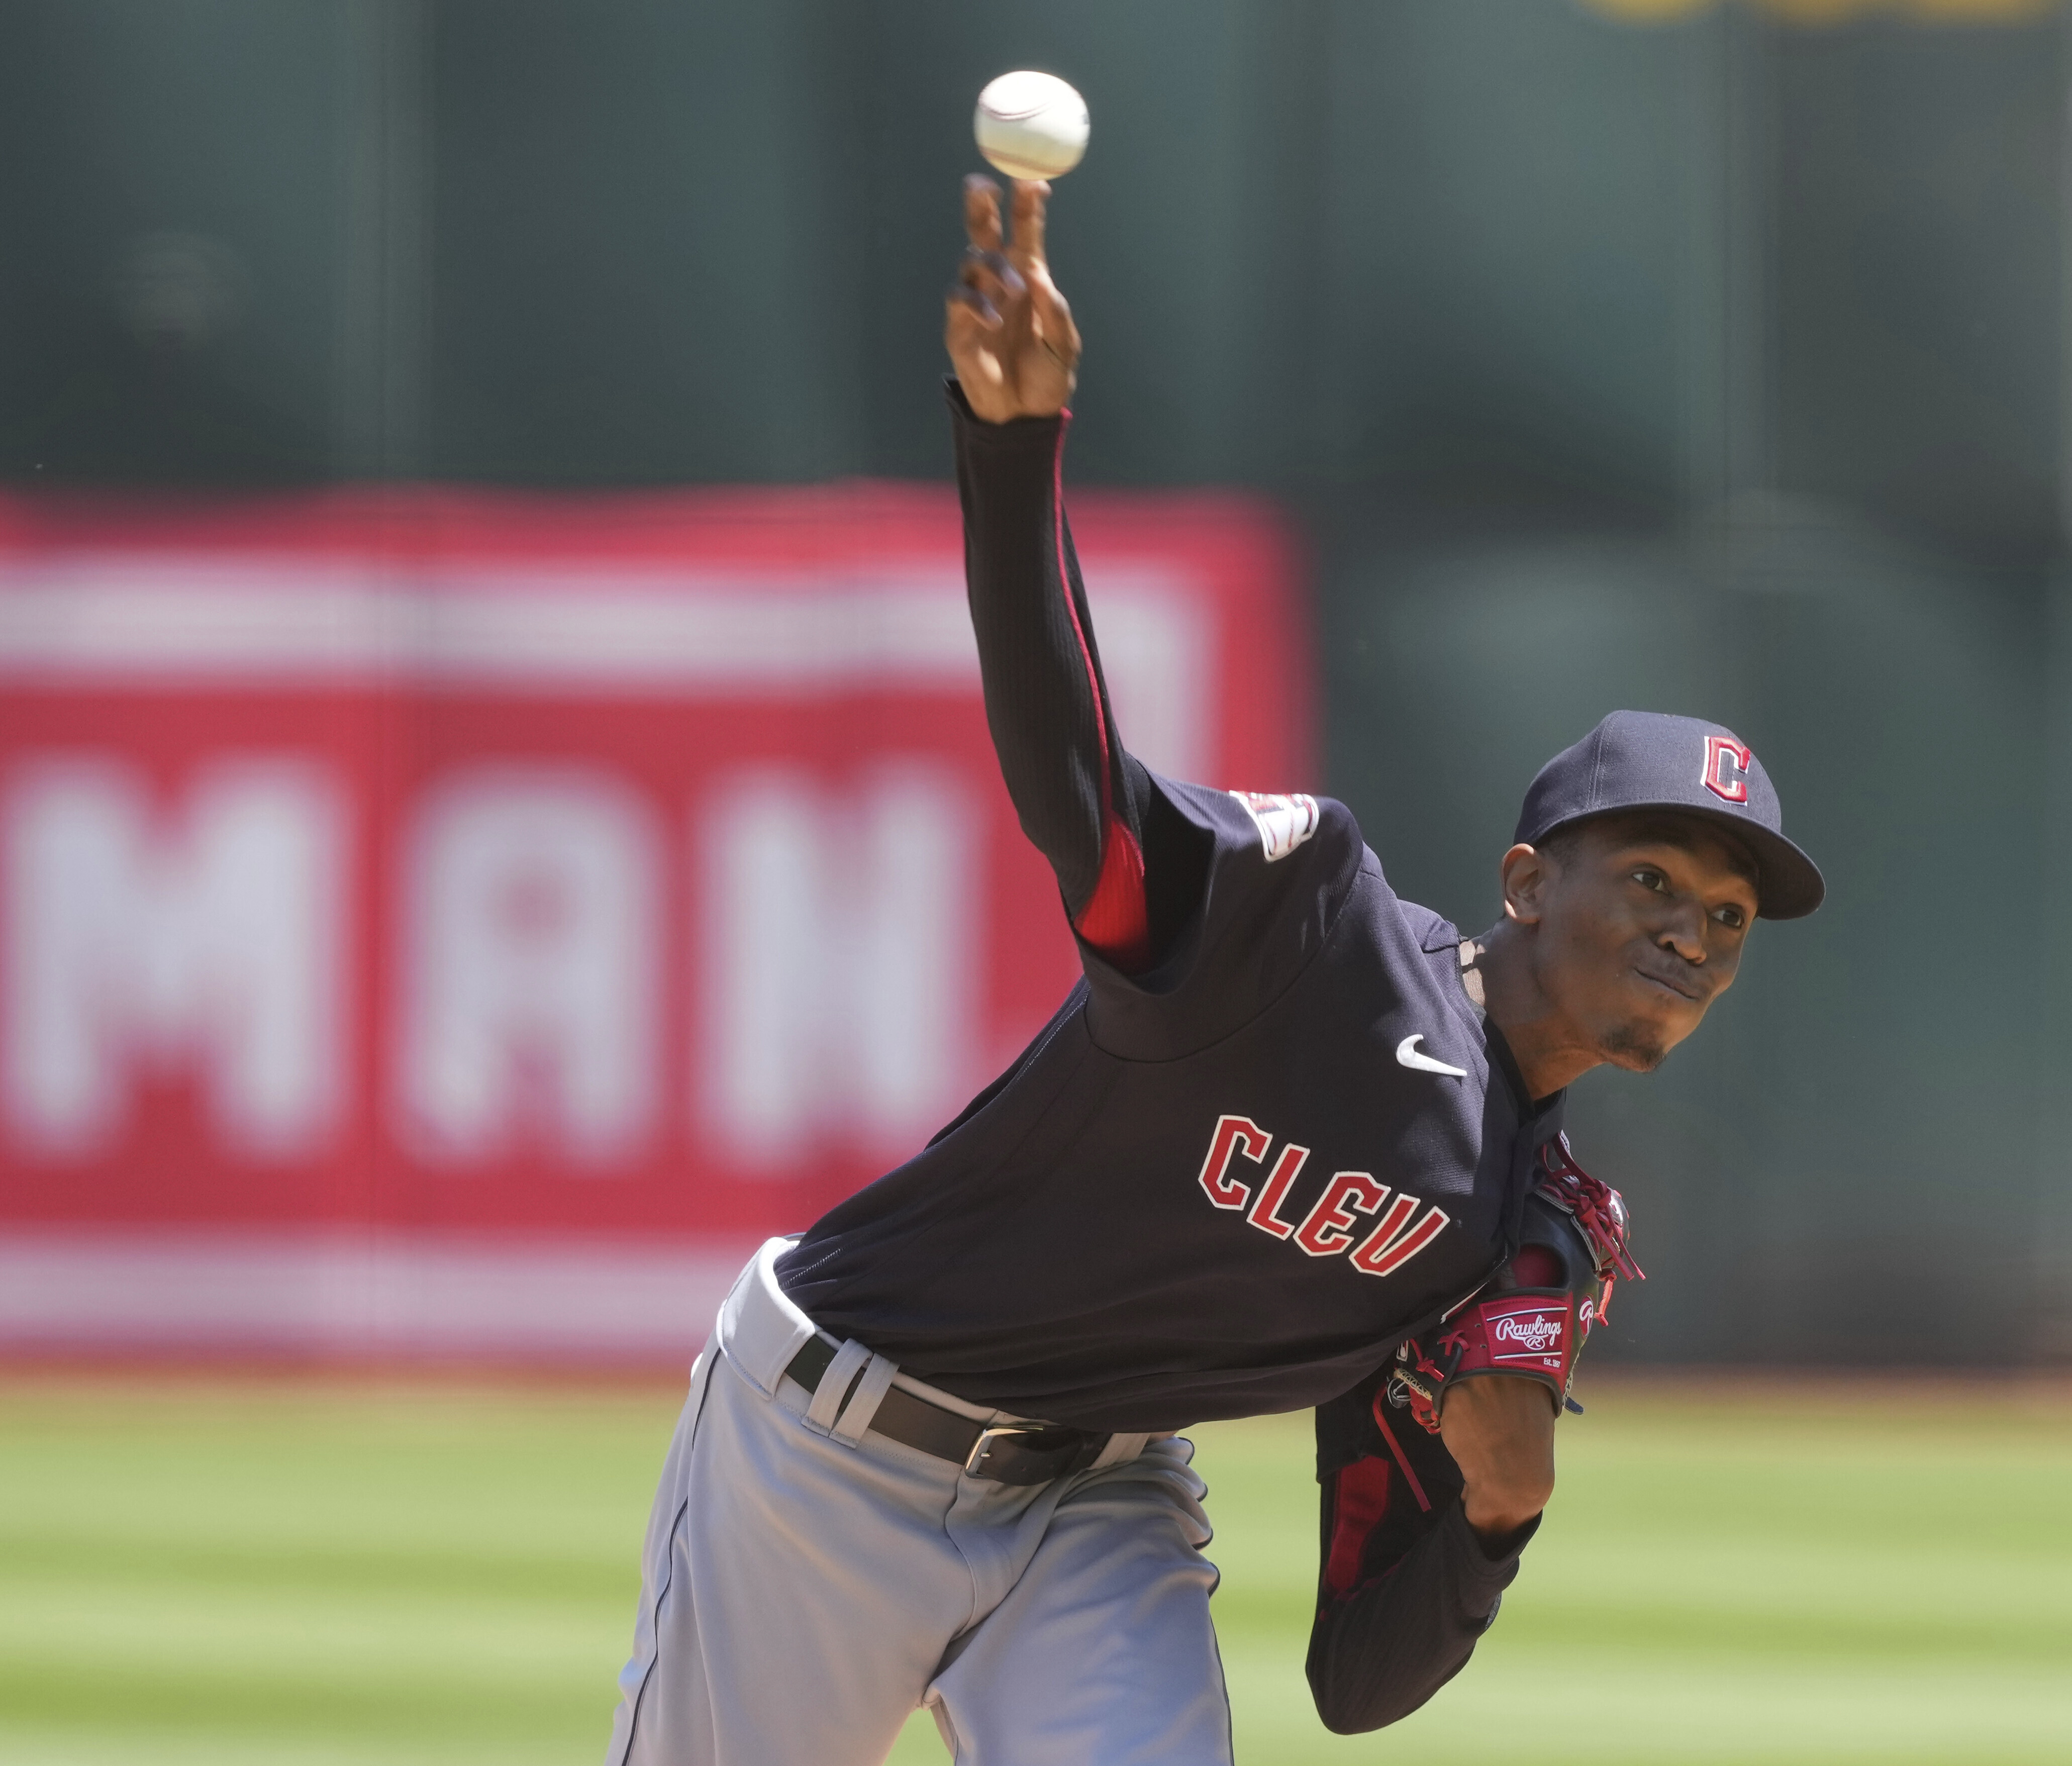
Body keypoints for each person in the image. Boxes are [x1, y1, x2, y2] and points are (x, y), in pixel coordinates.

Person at [604, 174, 1823, 1766]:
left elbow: (1361, 1678)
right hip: (829, 1441)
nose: (1691, 927)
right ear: (1526, 881)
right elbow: (1078, 792)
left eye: (1728, 913)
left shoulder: (1517, 1232)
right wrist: (1012, 446)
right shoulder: (1309, 927)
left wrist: (1497, 1512)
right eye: (1652, 875)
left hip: (1097, 1497)